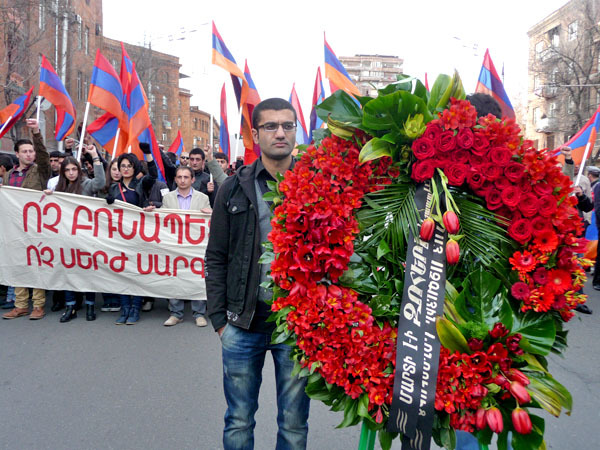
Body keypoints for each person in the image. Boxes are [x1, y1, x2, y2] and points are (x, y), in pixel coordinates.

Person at [206, 98, 310, 449]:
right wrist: (220, 320)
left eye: (287, 126)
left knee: (294, 425)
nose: (280, 133)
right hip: (242, 324)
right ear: (255, 133)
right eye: (271, 126)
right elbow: (216, 256)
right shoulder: (233, 187)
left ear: (295, 131)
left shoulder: (316, 184)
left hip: (295, 327)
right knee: (238, 420)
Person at [44, 147, 106, 322]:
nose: (71, 173)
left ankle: (90, 306)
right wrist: (49, 197)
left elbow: (100, 183)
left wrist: (95, 156)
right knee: (68, 273)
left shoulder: (86, 184)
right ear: (63, 172)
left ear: (79, 170)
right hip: (66, 237)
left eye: (74, 169)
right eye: (67, 170)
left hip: (86, 237)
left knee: (88, 273)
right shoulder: (59, 188)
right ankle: (70, 307)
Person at [2, 119, 51, 320]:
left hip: (34, 227)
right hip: (14, 228)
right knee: (18, 265)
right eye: (25, 151)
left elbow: (44, 157)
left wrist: (36, 133)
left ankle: (38, 305)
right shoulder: (9, 176)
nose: (29, 154)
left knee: (36, 264)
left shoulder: (39, 171)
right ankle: (20, 305)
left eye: (31, 151)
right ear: (17, 154)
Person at [106, 145, 157, 324]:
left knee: (135, 272)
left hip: (137, 235)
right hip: (119, 236)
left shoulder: (141, 184)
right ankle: (125, 308)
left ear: (135, 168)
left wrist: (148, 154)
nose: (126, 169)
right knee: (121, 272)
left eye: (129, 166)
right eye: (123, 166)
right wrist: (107, 203)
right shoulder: (114, 188)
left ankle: (135, 308)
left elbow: (153, 175)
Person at [162, 166, 211, 327]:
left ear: (192, 179)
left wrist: (210, 212)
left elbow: (210, 219)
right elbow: (160, 219)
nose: (182, 180)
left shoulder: (203, 198)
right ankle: (176, 313)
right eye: (179, 177)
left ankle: (199, 313)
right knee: (174, 278)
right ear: (175, 179)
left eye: (186, 177)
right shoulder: (167, 198)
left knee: (197, 278)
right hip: (174, 245)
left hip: (195, 246)